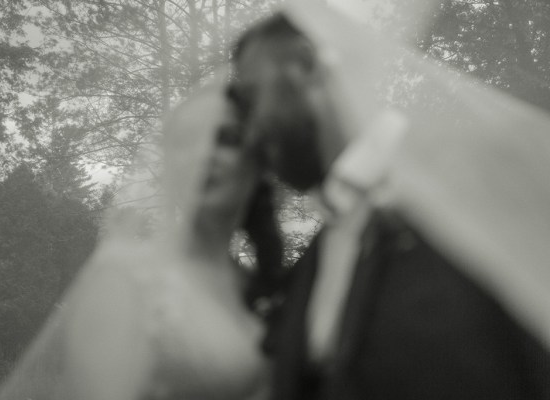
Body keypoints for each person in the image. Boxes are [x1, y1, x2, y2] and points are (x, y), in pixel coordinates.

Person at [229, 4, 550, 400]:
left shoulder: (482, 178)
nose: (250, 136)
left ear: (306, 65)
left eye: (251, 99)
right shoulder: (316, 257)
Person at [0, 78, 273, 400]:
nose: (204, 154)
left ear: (259, 161)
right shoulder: (126, 277)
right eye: (187, 140)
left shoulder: (264, 289)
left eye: (227, 139)